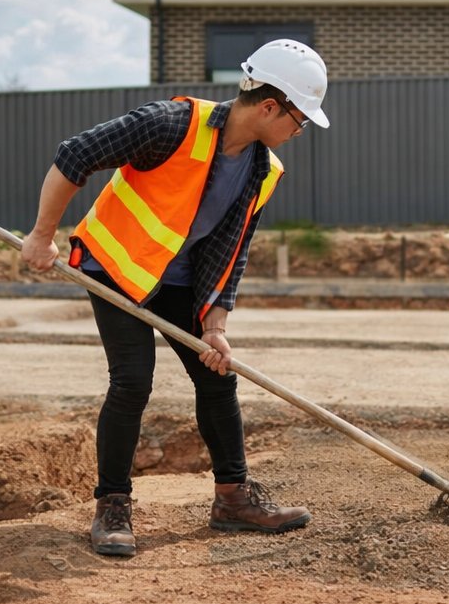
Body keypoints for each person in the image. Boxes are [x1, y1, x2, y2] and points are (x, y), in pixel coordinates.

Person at [20, 39, 330, 557]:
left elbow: (231, 251)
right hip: (117, 267)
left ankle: (233, 499)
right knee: (133, 380)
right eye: (299, 120)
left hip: (180, 280)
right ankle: (112, 505)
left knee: (216, 373)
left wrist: (215, 327)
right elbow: (76, 154)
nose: (298, 133)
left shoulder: (263, 170)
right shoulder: (171, 124)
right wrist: (42, 234)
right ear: (271, 106)